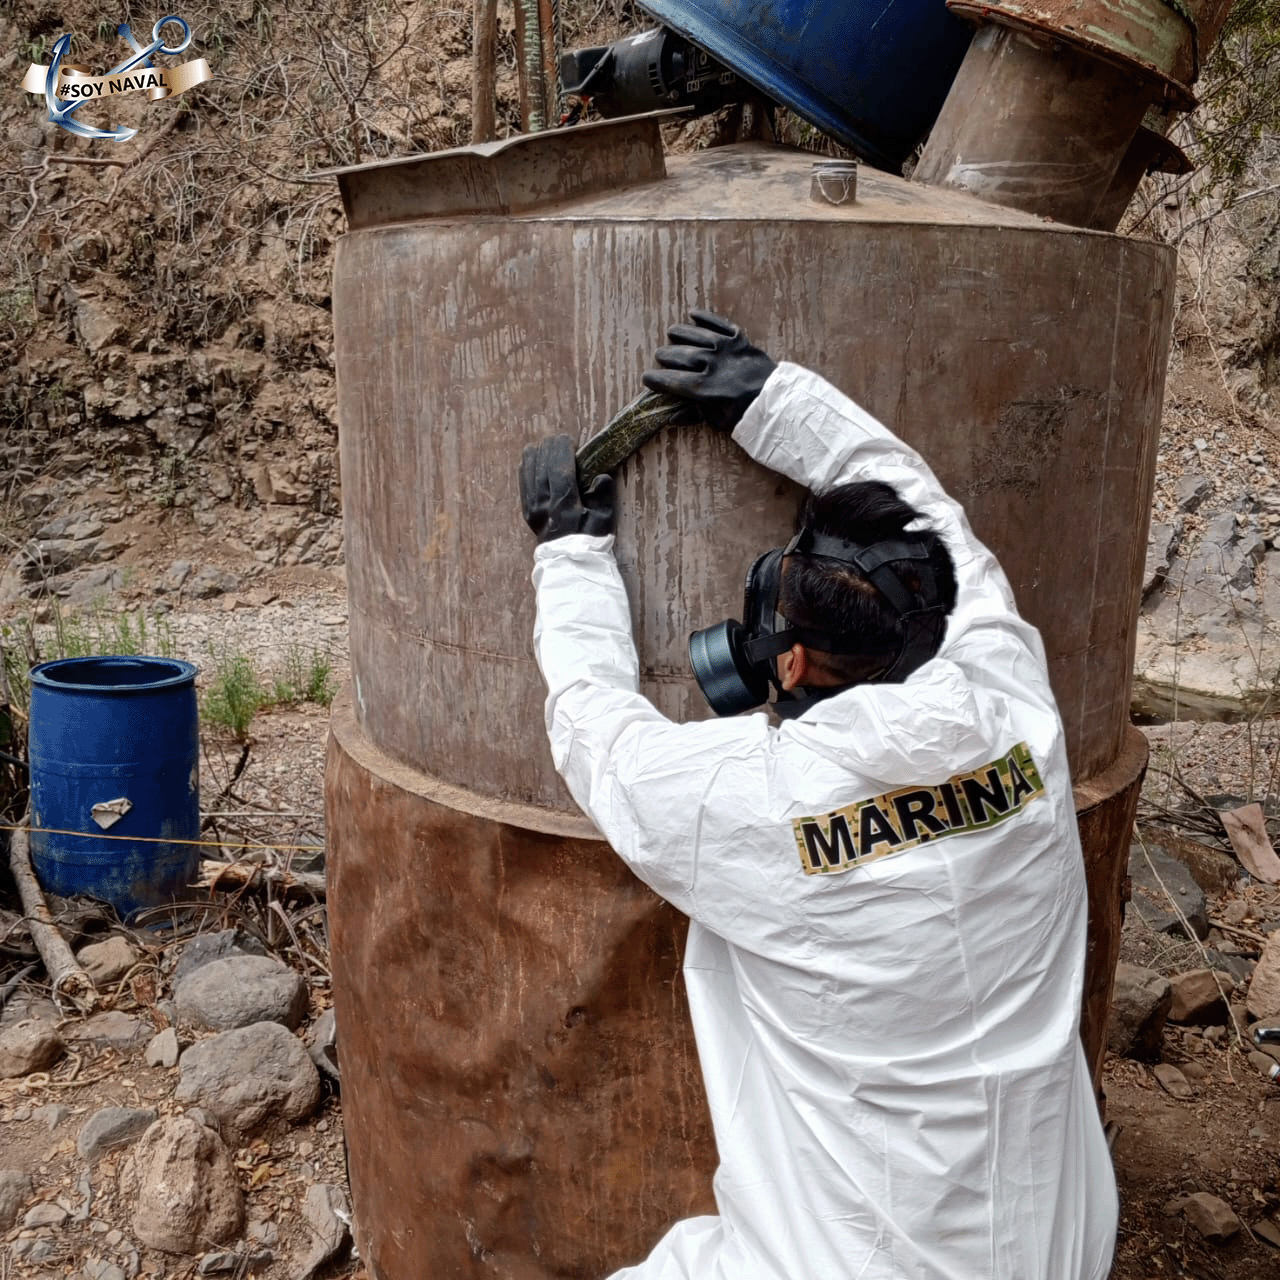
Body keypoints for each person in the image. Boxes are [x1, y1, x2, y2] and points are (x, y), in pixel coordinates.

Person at [518, 311, 1118, 1280]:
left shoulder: (743, 795)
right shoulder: (1016, 712)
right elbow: (939, 528)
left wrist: (569, 553)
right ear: (932, 632)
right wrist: (772, 396)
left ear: (786, 656)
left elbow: (593, 724)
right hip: (1057, 1235)